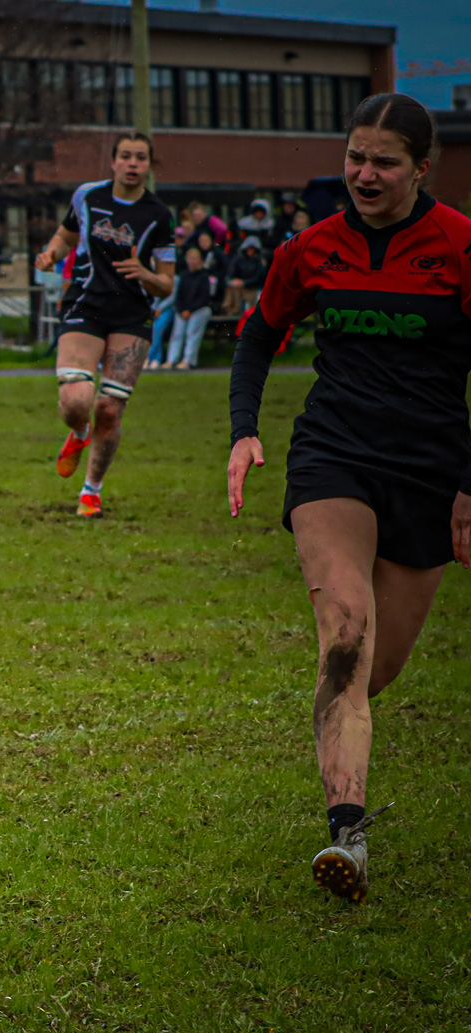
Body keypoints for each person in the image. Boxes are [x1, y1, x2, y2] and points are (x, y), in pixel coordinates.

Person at [227, 93, 471, 905]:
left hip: (429, 475)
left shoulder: (461, 247)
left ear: (423, 168)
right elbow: (260, 332)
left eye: (385, 162)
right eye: (355, 158)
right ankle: (348, 835)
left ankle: (346, 742)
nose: (365, 175)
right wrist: (244, 429)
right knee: (345, 636)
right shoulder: (311, 248)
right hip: (332, 457)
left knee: (377, 669)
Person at [32, 134, 175, 518]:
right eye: (126, 156)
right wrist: (50, 254)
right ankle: (78, 434)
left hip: (132, 314)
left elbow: (167, 283)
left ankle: (91, 491)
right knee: (76, 399)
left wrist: (144, 273)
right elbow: (66, 235)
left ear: (149, 165)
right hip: (85, 304)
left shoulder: (159, 215)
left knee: (110, 410)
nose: (132, 164)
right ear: (112, 162)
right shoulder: (87, 197)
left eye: (140, 158)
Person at [166, 244, 216, 370]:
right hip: (184, 310)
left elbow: (204, 298)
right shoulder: (184, 275)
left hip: (199, 309)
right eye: (190, 258)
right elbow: (179, 296)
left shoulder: (204, 276)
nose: (192, 261)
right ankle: (172, 360)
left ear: (200, 260)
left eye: (195, 258)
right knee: (177, 333)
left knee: (192, 332)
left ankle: (188, 360)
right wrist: (183, 310)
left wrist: (190, 310)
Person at [222, 235, 268, 315]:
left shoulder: (260, 261)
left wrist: (244, 282)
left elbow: (258, 279)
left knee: (250, 295)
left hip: (252, 288)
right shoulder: (238, 259)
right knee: (232, 288)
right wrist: (233, 281)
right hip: (238, 287)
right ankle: (231, 311)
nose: (251, 251)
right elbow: (230, 274)